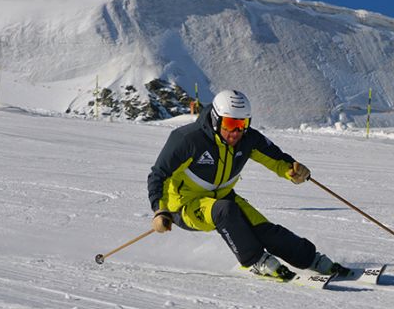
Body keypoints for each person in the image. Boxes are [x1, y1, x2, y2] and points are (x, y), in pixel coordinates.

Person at [147, 89, 344, 279]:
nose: (236, 132)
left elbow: (277, 159)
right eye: (230, 124)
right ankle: (255, 261)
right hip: (185, 206)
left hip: (223, 196)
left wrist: (293, 171)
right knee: (226, 211)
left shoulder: (248, 138)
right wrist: (160, 210)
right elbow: (159, 175)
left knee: (264, 229)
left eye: (242, 124)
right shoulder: (187, 140)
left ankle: (311, 259)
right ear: (216, 119)